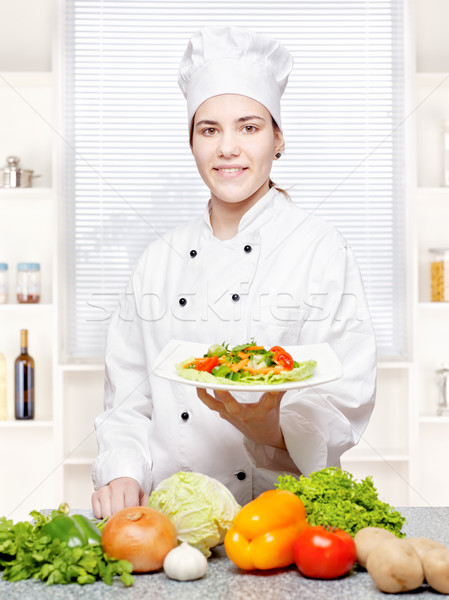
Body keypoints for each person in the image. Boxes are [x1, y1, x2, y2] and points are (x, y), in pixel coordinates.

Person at [91, 26, 376, 519]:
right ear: (192, 142)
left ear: (278, 138)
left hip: (277, 521)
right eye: (209, 129)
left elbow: (343, 399)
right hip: (170, 519)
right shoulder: (158, 259)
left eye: (249, 127)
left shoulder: (320, 249)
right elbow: (127, 400)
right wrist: (121, 471)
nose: (228, 148)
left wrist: (268, 426)